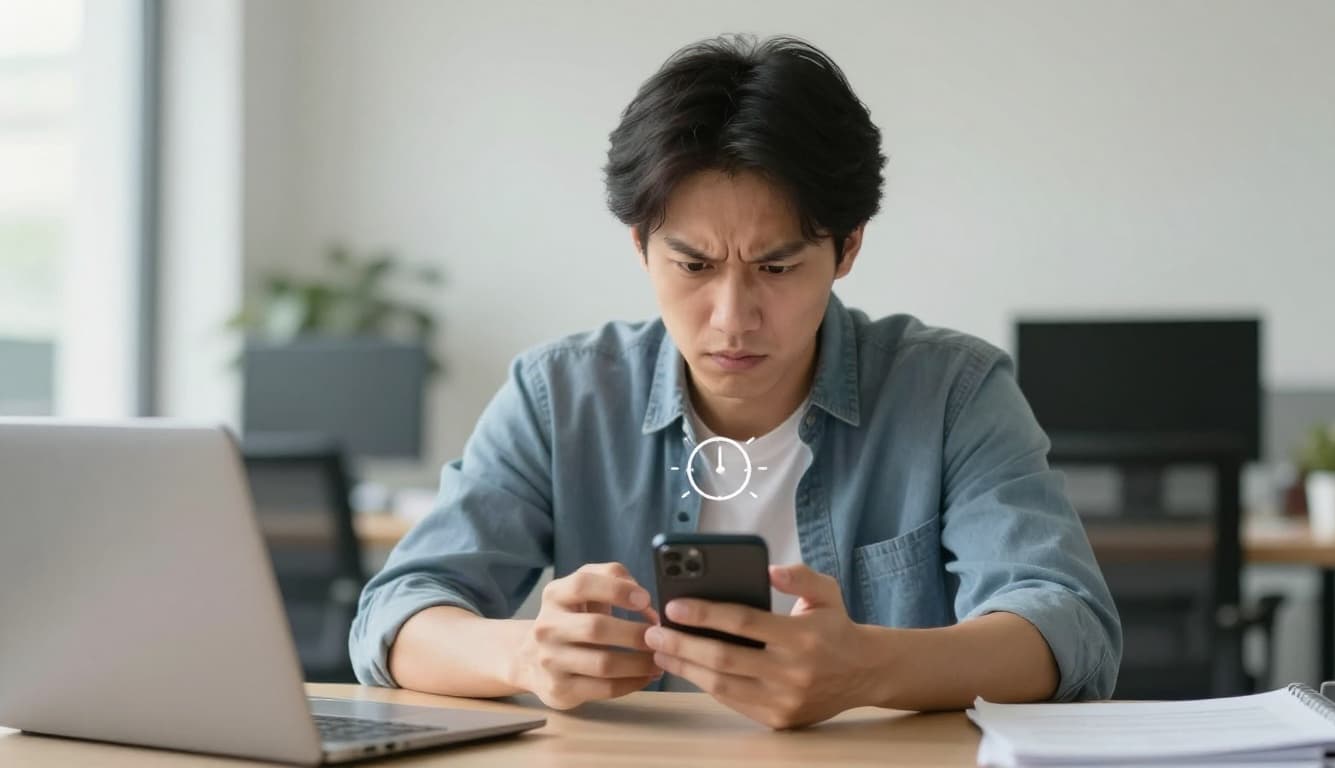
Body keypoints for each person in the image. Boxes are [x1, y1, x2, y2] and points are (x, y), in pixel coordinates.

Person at [349, 34, 1120, 729]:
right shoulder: (561, 397)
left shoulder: (953, 392)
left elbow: (1068, 624)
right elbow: (397, 614)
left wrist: (867, 670)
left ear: (847, 247)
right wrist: (527, 655)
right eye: (692, 265)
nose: (731, 319)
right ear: (640, 246)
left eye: (776, 268)